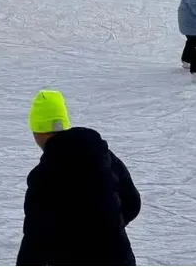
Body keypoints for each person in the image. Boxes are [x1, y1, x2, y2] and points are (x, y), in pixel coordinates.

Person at [17, 90, 140, 266]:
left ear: (38, 131)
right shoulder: (102, 155)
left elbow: (35, 239)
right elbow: (132, 201)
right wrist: (109, 228)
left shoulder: (43, 176)